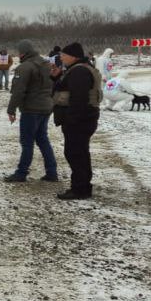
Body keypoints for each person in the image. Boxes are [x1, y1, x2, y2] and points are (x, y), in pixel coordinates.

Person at [3, 40, 58, 183]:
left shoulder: (25, 67)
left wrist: (11, 109)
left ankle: (21, 173)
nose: (18, 55)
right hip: (46, 107)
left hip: (31, 109)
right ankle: (52, 172)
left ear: (23, 52)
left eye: (19, 52)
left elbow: (18, 91)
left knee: (27, 142)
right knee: (43, 139)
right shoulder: (47, 64)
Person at [51, 42, 102, 200]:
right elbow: (67, 88)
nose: (61, 57)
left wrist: (71, 120)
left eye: (64, 55)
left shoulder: (79, 71)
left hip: (79, 120)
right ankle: (83, 186)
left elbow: (78, 98)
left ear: (73, 56)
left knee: (75, 153)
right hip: (84, 118)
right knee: (80, 153)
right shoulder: (79, 69)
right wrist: (57, 77)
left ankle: (80, 189)